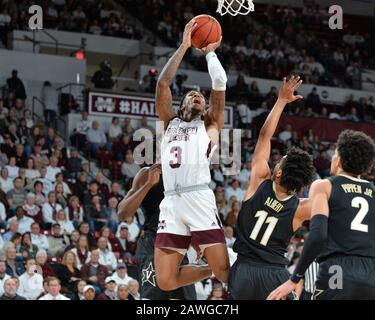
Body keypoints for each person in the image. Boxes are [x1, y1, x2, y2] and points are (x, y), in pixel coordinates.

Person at [154, 19, 229, 292]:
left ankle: (223, 267)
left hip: (198, 196)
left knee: (225, 273)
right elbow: (163, 83)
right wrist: (185, 45)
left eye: (201, 96)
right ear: (181, 103)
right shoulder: (169, 123)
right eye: (192, 94)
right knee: (165, 281)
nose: (198, 96)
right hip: (171, 202)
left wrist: (209, 51)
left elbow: (219, 80)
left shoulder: (210, 124)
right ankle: (210, 268)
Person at [229, 76, 315, 300]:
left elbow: (264, 137)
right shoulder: (301, 208)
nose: (277, 160)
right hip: (275, 276)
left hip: (244, 271)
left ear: (277, 173)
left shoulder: (260, 180)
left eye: (281, 160)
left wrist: (281, 102)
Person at [268, 130, 375, 300]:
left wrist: (294, 278)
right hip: (371, 275)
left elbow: (318, 235)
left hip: (337, 270)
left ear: (339, 160)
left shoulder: (324, 185)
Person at [118, 164, 196, 300]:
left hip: (178, 245)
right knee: (153, 296)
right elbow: (123, 214)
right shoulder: (147, 173)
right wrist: (148, 185)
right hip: (153, 242)